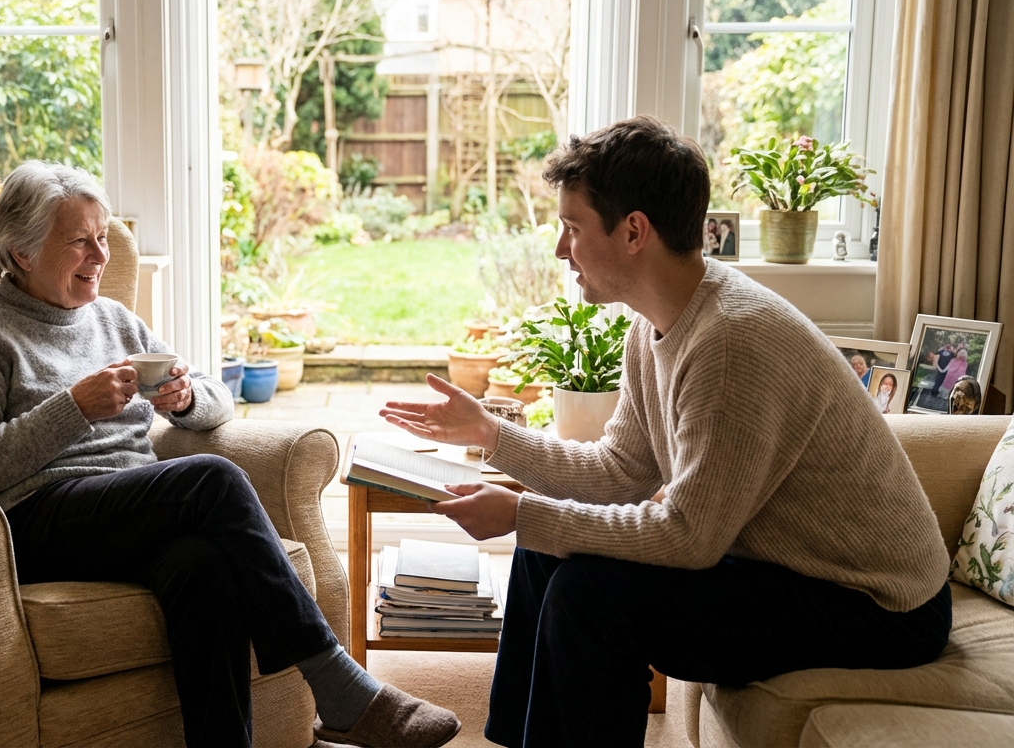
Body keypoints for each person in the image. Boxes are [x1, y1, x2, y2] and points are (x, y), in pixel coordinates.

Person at [379, 116, 951, 747]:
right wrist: (491, 434)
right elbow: (621, 471)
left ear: (633, 231)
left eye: (572, 227)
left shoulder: (730, 341)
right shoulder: (650, 326)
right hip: (787, 568)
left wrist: (522, 511)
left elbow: (688, 537)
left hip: (876, 604)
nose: (561, 249)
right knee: (545, 549)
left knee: (589, 597)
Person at [0, 161, 458, 748]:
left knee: (201, 565)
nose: (101, 256)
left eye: (102, 237)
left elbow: (214, 397)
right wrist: (72, 407)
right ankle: (336, 682)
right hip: (36, 518)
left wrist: (185, 400)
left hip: (128, 511)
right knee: (212, 480)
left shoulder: (113, 319)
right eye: (80, 241)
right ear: (21, 253)